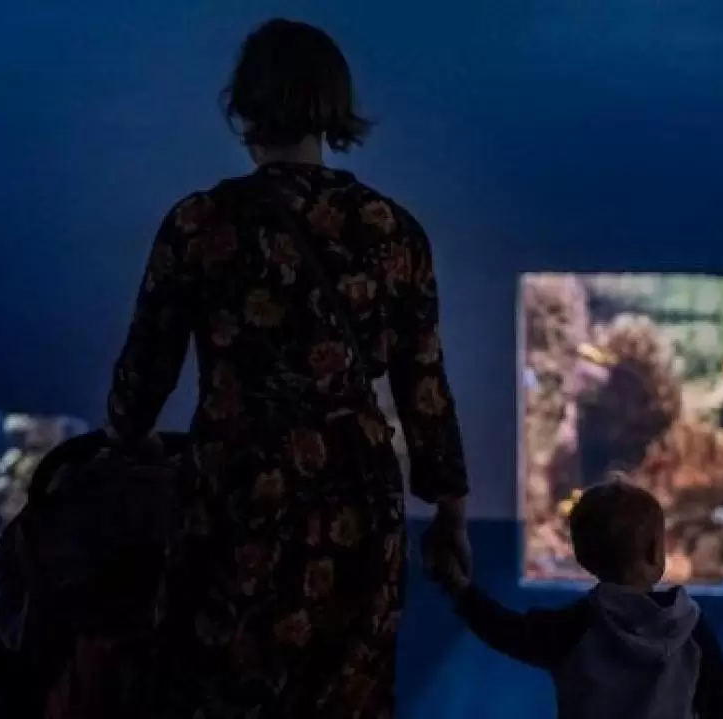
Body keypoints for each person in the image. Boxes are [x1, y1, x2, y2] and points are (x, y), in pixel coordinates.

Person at [104, 18, 471, 719]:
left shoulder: (199, 223)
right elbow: (423, 386)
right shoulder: (393, 230)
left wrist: (125, 442)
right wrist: (449, 513)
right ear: (334, 106)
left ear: (243, 104)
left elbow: (143, 373)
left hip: (234, 493)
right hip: (357, 502)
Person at [424, 476, 723, 719]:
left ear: (582, 557)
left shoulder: (574, 628)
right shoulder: (691, 628)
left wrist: (460, 589)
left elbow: (506, 630)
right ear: (654, 553)